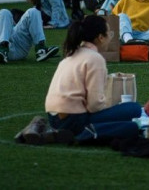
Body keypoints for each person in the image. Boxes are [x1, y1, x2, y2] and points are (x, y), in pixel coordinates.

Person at [45, 15, 142, 143]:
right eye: (109, 34)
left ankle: (80, 130)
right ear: (100, 38)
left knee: (127, 114)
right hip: (74, 118)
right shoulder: (95, 58)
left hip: (54, 118)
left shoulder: (70, 55)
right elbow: (94, 105)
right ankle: (87, 132)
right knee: (134, 111)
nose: (110, 37)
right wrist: (110, 106)